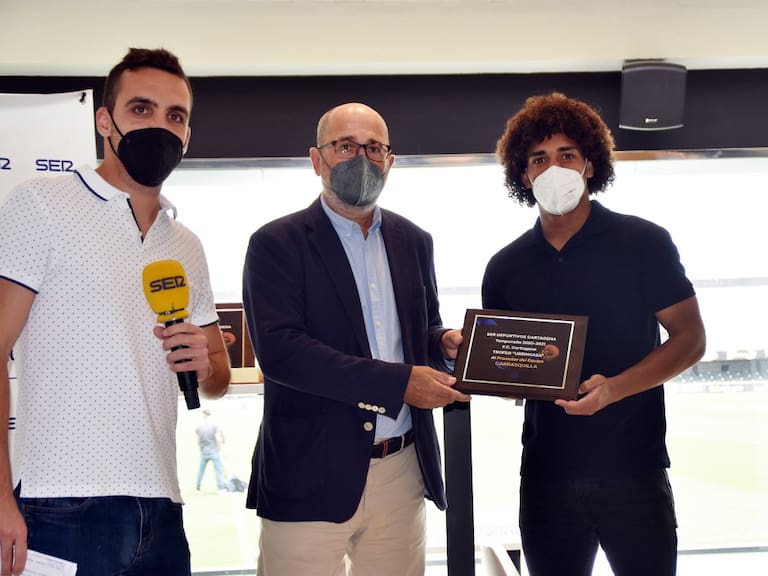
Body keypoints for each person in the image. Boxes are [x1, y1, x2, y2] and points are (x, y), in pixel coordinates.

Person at [0, 48, 231, 576]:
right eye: (141, 109)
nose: (159, 127)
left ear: (187, 136)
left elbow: (218, 379)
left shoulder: (187, 244)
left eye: (175, 116)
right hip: (59, 504)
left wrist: (203, 363)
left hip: (163, 509)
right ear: (105, 121)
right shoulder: (41, 204)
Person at [242, 102, 471, 576]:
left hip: (401, 470)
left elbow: (419, 331)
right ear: (316, 159)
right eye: (345, 146)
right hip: (308, 472)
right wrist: (398, 383)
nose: (360, 159)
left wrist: (444, 343)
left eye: (373, 148)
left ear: (390, 161)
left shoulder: (415, 241)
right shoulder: (275, 243)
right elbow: (282, 352)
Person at [482, 92, 706, 576]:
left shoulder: (643, 242)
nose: (553, 168)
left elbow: (690, 339)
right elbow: (507, 373)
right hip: (546, 475)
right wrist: (484, 364)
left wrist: (615, 389)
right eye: (539, 159)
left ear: (589, 164)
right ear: (524, 175)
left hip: (634, 469)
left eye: (566, 155)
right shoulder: (505, 266)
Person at [195, 409, 228, 493]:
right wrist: (219, 449)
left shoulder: (199, 427)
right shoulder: (214, 425)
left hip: (204, 451)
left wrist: (201, 449)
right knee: (218, 470)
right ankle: (221, 488)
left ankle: (198, 488)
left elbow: (197, 441)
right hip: (214, 451)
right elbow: (218, 439)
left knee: (201, 471)